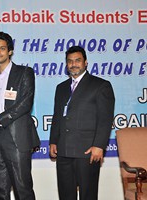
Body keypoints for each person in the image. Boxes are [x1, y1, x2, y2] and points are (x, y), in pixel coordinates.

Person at [49, 45, 115, 200]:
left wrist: (99, 145)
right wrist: (53, 141)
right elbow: (57, 116)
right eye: (70, 61)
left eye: (78, 60)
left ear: (86, 62)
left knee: (88, 195)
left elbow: (105, 120)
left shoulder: (100, 85)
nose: (74, 64)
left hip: (87, 151)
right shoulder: (61, 88)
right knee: (65, 195)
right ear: (66, 64)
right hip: (63, 150)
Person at [0, 31, 40, 200]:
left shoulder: (24, 73)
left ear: (10, 51)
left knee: (23, 189)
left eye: (2, 48)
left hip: (16, 138)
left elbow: (25, 104)